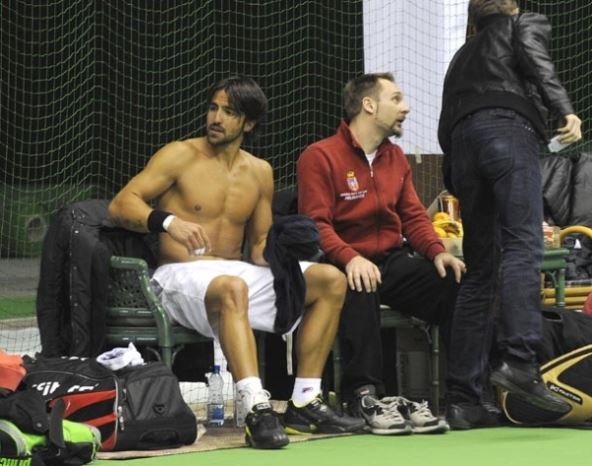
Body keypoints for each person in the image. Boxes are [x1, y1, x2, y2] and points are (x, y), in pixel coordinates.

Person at [107, 76, 365, 449]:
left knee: (330, 280)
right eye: (213, 108)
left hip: (233, 273)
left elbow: (258, 245)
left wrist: (285, 252)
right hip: (179, 276)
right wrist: (168, 221)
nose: (216, 117)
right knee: (233, 287)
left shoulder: (259, 172)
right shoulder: (180, 154)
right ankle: (256, 408)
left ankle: (306, 402)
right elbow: (120, 204)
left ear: (249, 122)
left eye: (229, 112)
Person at [438, 0, 582, 429]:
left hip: (462, 149)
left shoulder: (460, 56)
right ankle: (519, 359)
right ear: (512, 8)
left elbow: (447, 121)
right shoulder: (522, 24)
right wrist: (565, 109)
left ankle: (462, 400)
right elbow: (538, 62)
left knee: (480, 271)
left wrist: (457, 169)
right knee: (523, 245)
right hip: (506, 130)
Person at [297, 72, 465, 435]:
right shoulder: (319, 156)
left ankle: (465, 392)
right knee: (360, 283)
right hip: (341, 264)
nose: (406, 108)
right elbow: (316, 225)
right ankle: (364, 395)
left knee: (454, 281)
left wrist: (437, 252)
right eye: (396, 99)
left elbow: (413, 216)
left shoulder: (396, 158)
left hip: (391, 261)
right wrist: (350, 257)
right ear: (369, 105)